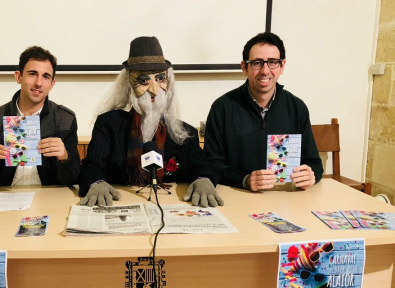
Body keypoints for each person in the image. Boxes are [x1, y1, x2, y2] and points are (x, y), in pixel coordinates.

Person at [79, 36, 222, 207]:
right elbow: (92, 166)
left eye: (160, 79)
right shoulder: (108, 124)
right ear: (129, 84)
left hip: (171, 206)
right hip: (121, 204)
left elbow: (203, 165)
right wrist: (96, 182)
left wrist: (203, 179)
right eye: (144, 80)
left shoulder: (185, 132)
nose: (154, 90)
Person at [204, 32, 323, 192]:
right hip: (238, 197)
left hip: (285, 198)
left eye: (273, 62)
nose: (265, 71)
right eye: (257, 63)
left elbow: (314, 162)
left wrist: (311, 174)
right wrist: (245, 180)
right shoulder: (222, 108)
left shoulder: (297, 108)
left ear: (282, 66)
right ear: (244, 67)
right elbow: (211, 164)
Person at [0, 46, 80, 189]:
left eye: (46, 76)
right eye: (32, 74)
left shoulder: (65, 119)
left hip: (49, 201)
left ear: (52, 83)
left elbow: (73, 179)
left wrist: (65, 158)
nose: (38, 83)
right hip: (6, 200)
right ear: (18, 77)